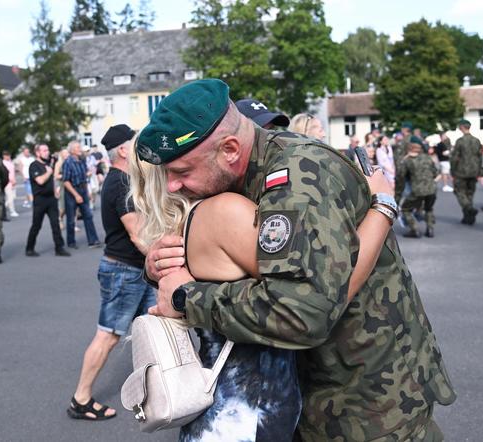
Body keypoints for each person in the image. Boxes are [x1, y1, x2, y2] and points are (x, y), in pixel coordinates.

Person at [137, 79, 455, 441]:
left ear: (228, 149)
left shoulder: (299, 179)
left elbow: (303, 312)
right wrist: (161, 265)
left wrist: (185, 298)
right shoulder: (238, 178)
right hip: (319, 392)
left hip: (365, 402)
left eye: (182, 172)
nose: (173, 185)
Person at [130, 142, 398, 441]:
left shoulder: (184, 222)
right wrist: (383, 207)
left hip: (226, 408)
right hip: (245, 414)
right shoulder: (225, 211)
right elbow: (324, 296)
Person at [67, 125, 155, 421]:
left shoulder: (125, 179)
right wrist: (163, 262)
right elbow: (137, 235)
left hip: (135, 271)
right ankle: (80, 399)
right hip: (123, 270)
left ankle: (159, 388)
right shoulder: (119, 183)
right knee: (107, 336)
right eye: (134, 142)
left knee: (155, 328)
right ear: (122, 150)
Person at [25, 144, 69, 257]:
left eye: (47, 150)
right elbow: (40, 181)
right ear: (38, 153)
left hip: (51, 199)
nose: (47, 152)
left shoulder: (48, 165)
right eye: (44, 150)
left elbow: (51, 181)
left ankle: (59, 248)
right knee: (36, 225)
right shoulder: (34, 166)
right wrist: (49, 172)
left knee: (56, 224)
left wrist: (55, 190)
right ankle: (29, 248)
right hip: (40, 200)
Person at [396, 136, 440, 238]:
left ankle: (414, 229)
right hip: (432, 189)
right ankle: (430, 229)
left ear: (409, 148)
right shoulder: (427, 157)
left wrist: (397, 196)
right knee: (429, 208)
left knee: (406, 209)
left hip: (417, 191)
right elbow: (435, 173)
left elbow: (400, 176)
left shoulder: (408, 160)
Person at [62, 141, 101, 249]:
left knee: (88, 215)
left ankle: (93, 241)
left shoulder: (82, 160)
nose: (80, 149)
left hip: (82, 190)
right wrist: (76, 195)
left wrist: (86, 192)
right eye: (78, 147)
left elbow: (83, 177)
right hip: (71, 192)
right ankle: (71, 242)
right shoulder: (68, 162)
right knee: (71, 219)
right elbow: (66, 181)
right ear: (72, 150)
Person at [450, 119, 483, 225]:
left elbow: (454, 158)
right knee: (470, 194)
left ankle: (469, 209)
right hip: (474, 171)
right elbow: (480, 157)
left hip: (461, 171)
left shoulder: (460, 141)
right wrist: (479, 171)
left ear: (462, 127)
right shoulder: (477, 140)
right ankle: (468, 217)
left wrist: (453, 171)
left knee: (459, 192)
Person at [54, 149, 70, 231]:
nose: (67, 154)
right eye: (65, 153)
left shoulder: (71, 162)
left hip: (71, 185)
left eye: (67, 153)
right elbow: (56, 176)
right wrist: (65, 175)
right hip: (62, 185)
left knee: (73, 207)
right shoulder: (58, 163)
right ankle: (60, 218)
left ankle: (73, 225)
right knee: (62, 207)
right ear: (62, 155)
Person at [2, 151, 18, 218]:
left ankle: (4, 206)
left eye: (9, 155)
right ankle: (12, 211)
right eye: (6, 155)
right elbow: (6, 173)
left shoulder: (10, 162)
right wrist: (11, 180)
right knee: (10, 197)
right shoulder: (3, 163)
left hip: (13, 181)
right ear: (4, 156)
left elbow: (13, 172)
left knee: (14, 196)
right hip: (8, 182)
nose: (8, 156)